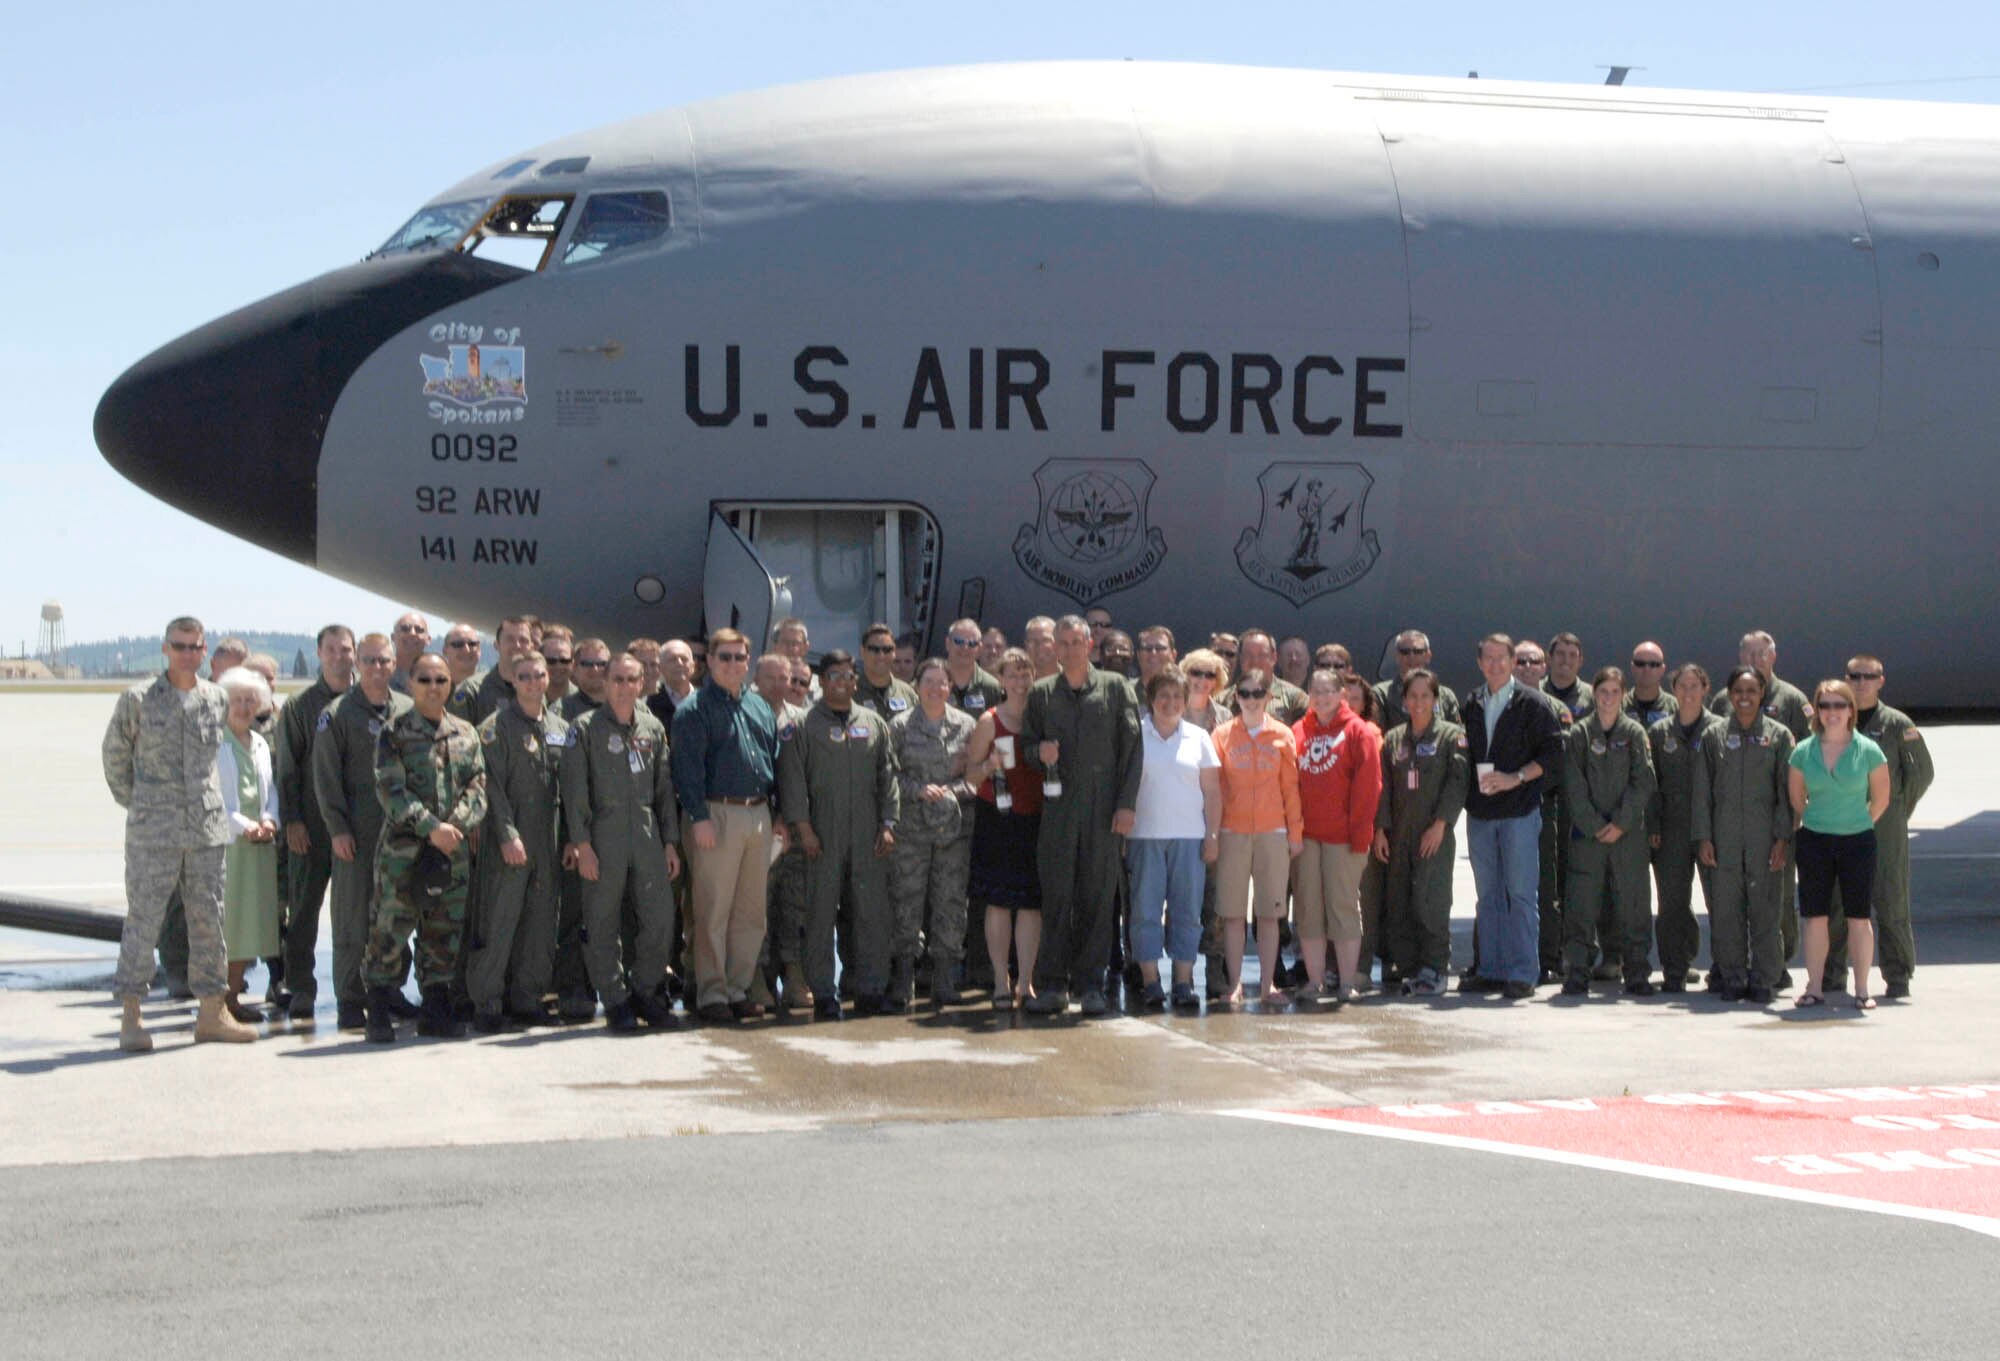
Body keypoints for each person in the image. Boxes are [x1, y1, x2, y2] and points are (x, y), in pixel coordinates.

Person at [101, 617, 256, 1049]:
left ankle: (212, 1012)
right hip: (155, 830)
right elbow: (115, 756)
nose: (188, 653)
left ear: (204, 652)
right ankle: (131, 1014)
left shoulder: (215, 699)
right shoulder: (139, 699)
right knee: (144, 920)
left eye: (195, 647)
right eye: (180, 646)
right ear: (165, 649)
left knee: (210, 920)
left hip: (205, 828)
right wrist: (141, 803)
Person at [1020, 615, 1142, 1016]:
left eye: (1077, 641)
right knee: (1056, 896)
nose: (1071, 648)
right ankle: (1053, 985)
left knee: (1096, 897)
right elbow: (1026, 748)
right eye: (1064, 642)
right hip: (1058, 811)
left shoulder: (1114, 688)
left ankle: (1092, 985)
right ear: (1053, 646)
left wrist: (1126, 804)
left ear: (1090, 645)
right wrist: (1040, 754)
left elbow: (1132, 749)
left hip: (1103, 810)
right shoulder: (1041, 694)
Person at [364, 653, 487, 1043]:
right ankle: (379, 1010)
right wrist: (430, 827)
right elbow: (390, 789)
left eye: (440, 680)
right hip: (404, 850)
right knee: (390, 930)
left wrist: (454, 827)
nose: (433, 687)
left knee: (443, 931)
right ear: (410, 684)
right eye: (424, 680)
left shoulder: (466, 732)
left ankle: (435, 1009)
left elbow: (478, 787)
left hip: (450, 850)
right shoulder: (395, 732)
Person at [561, 653, 682, 1031]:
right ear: (606, 682)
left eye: (632, 680)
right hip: (603, 832)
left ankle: (644, 990)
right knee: (601, 921)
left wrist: (670, 842)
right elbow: (575, 793)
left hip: (647, 834)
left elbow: (664, 790)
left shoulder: (652, 728)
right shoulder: (583, 729)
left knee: (660, 919)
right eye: (618, 679)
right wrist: (582, 845)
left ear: (643, 682)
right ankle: (615, 999)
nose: (625, 687)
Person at [671, 629, 783, 1024]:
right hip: (715, 814)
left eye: (740, 657)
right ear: (710, 662)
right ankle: (712, 993)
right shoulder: (694, 709)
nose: (734, 664)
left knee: (751, 912)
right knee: (712, 910)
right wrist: (699, 817)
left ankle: (738, 989)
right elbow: (686, 770)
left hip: (758, 814)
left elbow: (774, 761)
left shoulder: (759, 706)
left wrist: (778, 817)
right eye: (725, 658)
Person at [780, 650, 899, 1019]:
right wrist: (804, 828)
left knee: (870, 913)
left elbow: (888, 777)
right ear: (822, 681)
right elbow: (792, 781)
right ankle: (824, 993)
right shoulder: (802, 726)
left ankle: (869, 988)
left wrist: (888, 823)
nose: (842, 683)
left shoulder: (873, 723)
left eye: (848, 676)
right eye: (834, 676)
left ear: (855, 681)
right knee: (820, 915)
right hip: (822, 834)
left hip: (867, 833)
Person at [310, 632, 414, 1030]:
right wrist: (336, 828)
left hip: (400, 833)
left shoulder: (407, 709)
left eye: (384, 661)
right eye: (369, 661)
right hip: (356, 831)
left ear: (394, 664)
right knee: (353, 918)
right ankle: (351, 998)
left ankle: (388, 992)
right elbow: (326, 778)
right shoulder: (337, 715)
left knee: (397, 915)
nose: (377, 668)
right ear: (358, 665)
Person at [469, 650, 571, 1030]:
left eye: (538, 675)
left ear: (548, 679)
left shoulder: (560, 727)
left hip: (549, 838)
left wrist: (572, 840)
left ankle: (527, 998)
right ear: (513, 680)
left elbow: (571, 787)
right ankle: (488, 1002)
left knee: (541, 921)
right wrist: (507, 835)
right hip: (509, 840)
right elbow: (490, 788)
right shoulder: (495, 729)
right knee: (500, 920)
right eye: (524, 675)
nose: (532, 682)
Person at [1462, 634, 1564, 999]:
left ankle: (1522, 972)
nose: (1494, 665)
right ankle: (1491, 968)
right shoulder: (1471, 703)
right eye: (1487, 658)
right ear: (1479, 663)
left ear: (1512, 662)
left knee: (1521, 893)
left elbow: (1554, 755)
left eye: (1501, 659)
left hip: (1520, 811)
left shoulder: (1533, 704)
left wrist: (1516, 777)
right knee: (1487, 895)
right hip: (1481, 812)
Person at [1825, 655, 1934, 999]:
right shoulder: (1835, 720)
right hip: (1841, 823)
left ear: (1881, 681)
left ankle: (1897, 974)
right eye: (1854, 676)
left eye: (1868, 677)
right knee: (1838, 901)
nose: (1860, 683)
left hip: (1884, 826)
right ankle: (1832, 974)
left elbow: (1921, 774)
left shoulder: (1897, 724)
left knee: (1890, 899)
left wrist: (1898, 808)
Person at [1692, 668, 1795, 1004]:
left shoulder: (1779, 737)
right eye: (1738, 691)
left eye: (1752, 690)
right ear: (1729, 694)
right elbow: (1702, 792)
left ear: (1762, 693)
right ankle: (1733, 977)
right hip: (1724, 841)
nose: (1745, 697)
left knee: (1766, 912)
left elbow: (1787, 792)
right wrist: (1704, 837)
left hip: (1765, 841)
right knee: (1726, 913)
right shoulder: (1714, 736)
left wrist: (1782, 838)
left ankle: (1765, 978)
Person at [1788, 679, 1891, 1010]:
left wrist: (1854, 823)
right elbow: (1797, 798)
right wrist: (1823, 821)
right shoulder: (1803, 751)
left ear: (1851, 710)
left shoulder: (1869, 750)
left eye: (1839, 705)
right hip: (1814, 840)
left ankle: (1862, 989)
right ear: (1817, 711)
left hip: (1858, 841)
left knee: (1858, 918)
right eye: (1825, 705)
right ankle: (1815, 987)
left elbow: (1881, 799)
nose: (1832, 712)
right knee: (1814, 917)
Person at [1122, 664, 1219, 1010]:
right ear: (1150, 700)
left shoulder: (1199, 737)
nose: (1170, 702)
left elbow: (1212, 792)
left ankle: (1182, 982)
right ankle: (1151, 982)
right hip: (1144, 836)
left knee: (1187, 912)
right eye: (1163, 695)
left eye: (1177, 696)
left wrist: (1212, 835)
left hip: (1190, 837)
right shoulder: (1135, 735)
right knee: (1145, 911)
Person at [1559, 667, 1658, 996]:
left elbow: (1643, 781)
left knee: (1633, 903)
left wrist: (1620, 823)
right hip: (1588, 836)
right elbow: (1573, 785)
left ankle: (1637, 971)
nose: (1608, 698)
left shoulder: (1633, 733)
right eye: (1603, 691)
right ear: (1594, 694)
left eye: (1615, 692)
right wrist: (1595, 825)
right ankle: (1577, 970)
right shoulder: (1579, 735)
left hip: (1627, 835)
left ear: (1622, 695)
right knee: (1581, 904)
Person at [888, 658, 979, 1009]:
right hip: (911, 830)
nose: (936, 689)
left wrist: (951, 791)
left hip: (953, 831)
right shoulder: (899, 726)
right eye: (929, 682)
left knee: (951, 901)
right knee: (907, 899)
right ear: (916, 685)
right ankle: (905, 975)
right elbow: (889, 775)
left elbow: (977, 775)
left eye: (943, 683)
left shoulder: (966, 726)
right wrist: (917, 789)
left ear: (950, 688)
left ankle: (944, 976)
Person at [1373, 670, 1470, 996]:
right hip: (1399, 833)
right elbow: (1384, 788)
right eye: (1412, 696)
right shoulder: (1393, 739)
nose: (1418, 702)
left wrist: (1442, 824)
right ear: (1404, 701)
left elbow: (1458, 784)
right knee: (1399, 902)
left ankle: (1435, 968)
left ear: (1435, 699)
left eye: (1425, 696)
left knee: (1431, 901)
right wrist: (1381, 830)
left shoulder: (1451, 736)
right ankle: (1411, 968)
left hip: (1433, 833)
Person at [276, 624, 355, 1023]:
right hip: (311, 827)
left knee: (357, 913)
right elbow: (286, 769)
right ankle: (301, 986)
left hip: (356, 830)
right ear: (319, 653)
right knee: (304, 910)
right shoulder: (300, 707)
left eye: (346, 649)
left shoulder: (367, 701)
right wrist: (291, 820)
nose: (340, 657)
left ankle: (358, 989)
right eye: (332, 650)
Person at [1212, 666, 1303, 1005]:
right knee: (1232, 914)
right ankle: (1235, 983)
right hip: (1232, 831)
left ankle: (1268, 985)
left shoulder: (1283, 735)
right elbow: (1216, 789)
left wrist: (1295, 833)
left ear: (1269, 697)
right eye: (1244, 693)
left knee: (1269, 913)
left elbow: (1291, 788)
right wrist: (1214, 833)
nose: (1250, 700)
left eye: (1257, 694)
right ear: (1236, 696)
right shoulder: (1222, 735)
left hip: (1272, 831)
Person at [1293, 667, 1382, 1004]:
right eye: (1315, 692)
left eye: (1328, 692)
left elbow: (1369, 787)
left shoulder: (1359, 732)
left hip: (1344, 838)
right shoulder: (1299, 731)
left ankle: (1348, 981)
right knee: (1308, 908)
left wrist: (1360, 835)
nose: (1322, 698)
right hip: (1307, 837)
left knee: (1343, 907)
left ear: (1342, 696)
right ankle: (1315, 981)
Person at [965, 647, 1044, 1009]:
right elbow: (969, 775)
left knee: (1030, 903)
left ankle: (1025, 980)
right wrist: (990, 765)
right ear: (1001, 680)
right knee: (998, 902)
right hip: (997, 819)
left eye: (1025, 673)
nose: (1020, 681)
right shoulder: (988, 721)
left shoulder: (1041, 717)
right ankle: (1001, 980)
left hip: (1035, 817)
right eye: (1012, 674)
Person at [1647, 663, 1724, 993]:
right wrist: (1653, 825)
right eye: (1682, 686)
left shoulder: (1721, 730)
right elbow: (1651, 784)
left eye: (1695, 686)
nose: (1688, 692)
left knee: (1720, 901)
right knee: (1672, 902)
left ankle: (1724, 966)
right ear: (1673, 690)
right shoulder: (1660, 732)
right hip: (1672, 829)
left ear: (1706, 689)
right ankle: (1675, 969)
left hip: (1711, 829)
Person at [215, 666, 281, 1023]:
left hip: (259, 844)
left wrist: (271, 820)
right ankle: (217, 1002)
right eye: (235, 700)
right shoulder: (215, 741)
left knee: (249, 923)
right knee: (227, 923)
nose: (242, 707)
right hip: (228, 845)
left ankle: (234, 995)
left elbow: (269, 790)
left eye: (249, 701)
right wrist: (245, 827)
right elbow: (211, 799)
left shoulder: (259, 743)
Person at [756, 653, 810, 1011]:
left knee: (795, 902)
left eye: (785, 679)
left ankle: (793, 972)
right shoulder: (747, 716)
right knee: (757, 903)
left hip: (796, 828)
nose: (780, 685)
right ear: (757, 680)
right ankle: (757, 976)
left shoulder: (802, 721)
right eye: (772, 678)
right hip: (760, 825)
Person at [454, 616, 540, 725]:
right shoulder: (473, 691)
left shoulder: (539, 688)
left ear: (531, 647)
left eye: (523, 640)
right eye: (510, 639)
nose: (517, 645)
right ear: (496, 645)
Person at [1375, 630, 1462, 732]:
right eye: (1405, 652)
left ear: (1428, 656)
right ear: (1397, 656)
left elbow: (1458, 736)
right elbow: (1375, 737)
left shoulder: (1445, 696)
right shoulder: (1381, 695)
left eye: (1418, 651)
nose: (1411, 657)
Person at [1228, 630, 1306, 724]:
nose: (1255, 661)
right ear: (1240, 658)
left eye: (1262, 655)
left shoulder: (1295, 698)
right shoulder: (1223, 699)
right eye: (1249, 655)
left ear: (1274, 658)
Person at [855, 621, 919, 721]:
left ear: (894, 653)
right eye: (874, 649)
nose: (881, 656)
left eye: (887, 650)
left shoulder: (907, 693)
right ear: (862, 652)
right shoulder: (849, 692)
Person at [943, 617, 1006, 716]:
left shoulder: (991, 687)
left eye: (972, 643)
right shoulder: (930, 680)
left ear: (979, 648)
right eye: (959, 641)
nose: (965, 647)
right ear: (947, 644)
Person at [1624, 642, 1674, 728]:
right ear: (1632, 667)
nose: (1646, 669)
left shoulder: (1675, 707)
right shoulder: (1618, 706)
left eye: (1653, 664)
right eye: (1640, 664)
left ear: (1662, 669)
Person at [562, 638, 611, 721]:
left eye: (602, 664)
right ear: (574, 668)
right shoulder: (562, 710)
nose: (595, 669)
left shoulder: (631, 706)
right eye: (587, 664)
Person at [389, 612, 431, 694]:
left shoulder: (439, 678)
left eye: (419, 630)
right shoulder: (381, 674)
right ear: (393, 637)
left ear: (428, 639)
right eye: (405, 629)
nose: (412, 633)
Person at [539, 624, 576, 710]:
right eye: (551, 661)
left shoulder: (583, 702)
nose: (558, 666)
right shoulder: (527, 697)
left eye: (564, 661)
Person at [441, 623, 483, 691]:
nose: (466, 650)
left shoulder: (494, 687)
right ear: (445, 651)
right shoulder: (432, 688)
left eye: (472, 644)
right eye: (458, 644)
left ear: (479, 649)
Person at [1023, 615, 1060, 680]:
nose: (1039, 646)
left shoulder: (1074, 679)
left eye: (1046, 640)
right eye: (1032, 641)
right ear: (1026, 646)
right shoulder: (1016, 684)